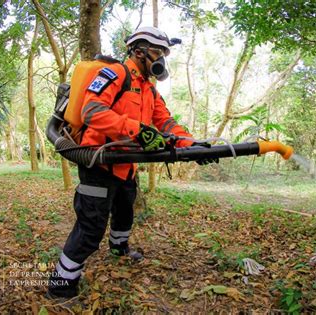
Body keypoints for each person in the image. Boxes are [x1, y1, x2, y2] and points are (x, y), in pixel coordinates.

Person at [46, 26, 217, 300]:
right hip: (98, 164)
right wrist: (137, 130)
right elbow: (92, 111)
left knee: (125, 213)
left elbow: (167, 123)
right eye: (158, 52)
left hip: (127, 166)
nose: (161, 59)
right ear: (139, 51)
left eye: (164, 53)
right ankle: (60, 285)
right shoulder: (114, 74)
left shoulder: (149, 90)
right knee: (90, 229)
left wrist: (193, 145)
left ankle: (119, 249)